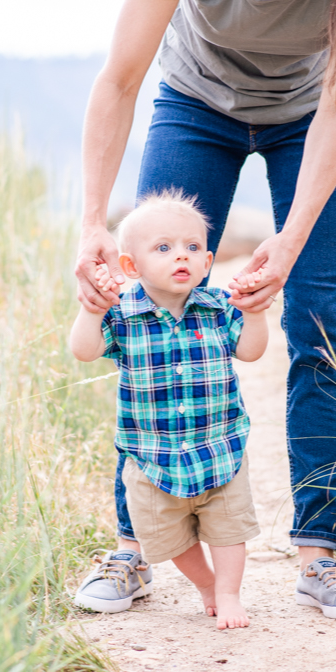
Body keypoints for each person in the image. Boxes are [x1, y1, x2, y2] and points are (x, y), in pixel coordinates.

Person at [69, 0, 336, 619]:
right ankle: (131, 547)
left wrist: (291, 239)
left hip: (311, 120)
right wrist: (91, 222)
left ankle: (318, 556)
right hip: (195, 105)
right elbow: (119, 81)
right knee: (149, 315)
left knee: (319, 326)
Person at [71, 192, 268, 629]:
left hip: (220, 448)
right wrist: (91, 311)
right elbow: (84, 351)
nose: (181, 255)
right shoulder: (122, 314)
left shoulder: (219, 309)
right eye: (163, 248)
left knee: (228, 529)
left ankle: (230, 594)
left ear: (207, 260)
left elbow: (251, 352)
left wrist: (254, 314)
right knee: (169, 538)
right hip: (150, 456)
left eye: (192, 248)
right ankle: (206, 585)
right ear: (130, 267)